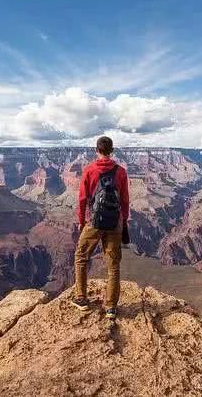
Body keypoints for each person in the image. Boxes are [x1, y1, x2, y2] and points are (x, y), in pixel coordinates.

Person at [72, 136, 130, 320]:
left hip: (94, 222)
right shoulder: (121, 171)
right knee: (113, 266)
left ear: (96, 150)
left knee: (81, 257)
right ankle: (111, 307)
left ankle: (81, 298)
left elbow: (82, 199)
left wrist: (81, 221)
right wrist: (123, 220)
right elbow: (125, 200)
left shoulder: (89, 170)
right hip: (114, 223)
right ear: (112, 150)